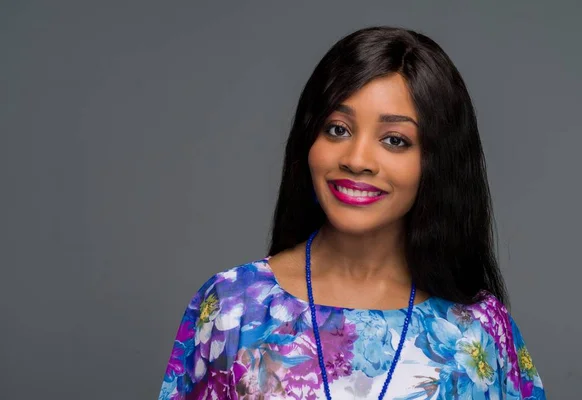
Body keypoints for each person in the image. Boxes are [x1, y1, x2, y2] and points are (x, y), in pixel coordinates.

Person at [158, 26, 546, 399]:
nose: (358, 160)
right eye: (338, 129)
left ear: (437, 164)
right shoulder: (234, 307)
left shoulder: (478, 329)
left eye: (395, 140)